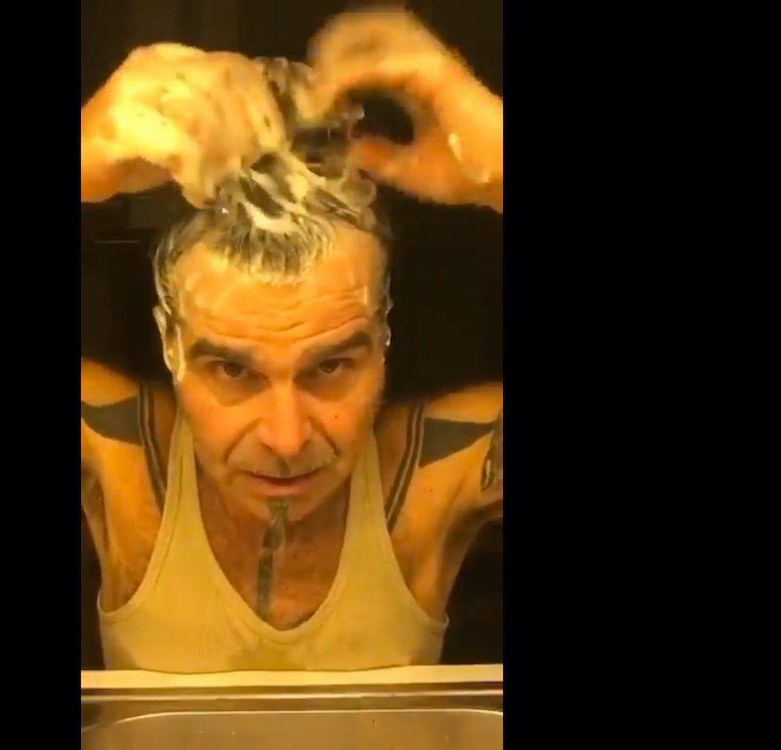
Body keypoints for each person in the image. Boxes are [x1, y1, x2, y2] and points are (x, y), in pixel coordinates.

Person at [80, 9, 503, 672]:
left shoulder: (433, 479)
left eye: (331, 367)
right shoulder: (121, 462)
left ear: (383, 337)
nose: (286, 439)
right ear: (170, 344)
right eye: (233, 371)